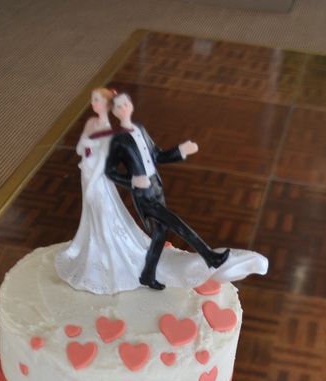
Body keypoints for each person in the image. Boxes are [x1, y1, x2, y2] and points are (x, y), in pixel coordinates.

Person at [104, 92, 229, 290]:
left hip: (157, 187)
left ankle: (147, 275)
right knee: (176, 223)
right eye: (118, 106)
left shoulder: (141, 129)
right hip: (143, 194)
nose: (123, 108)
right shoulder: (118, 140)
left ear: (131, 104)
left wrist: (180, 151)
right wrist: (133, 181)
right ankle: (209, 256)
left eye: (126, 103)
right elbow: (110, 171)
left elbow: (158, 156)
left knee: (160, 234)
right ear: (113, 111)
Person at [54, 88, 151, 294]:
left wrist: (91, 186)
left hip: (97, 178)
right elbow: (80, 149)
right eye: (92, 100)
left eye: (97, 100)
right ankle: (93, 253)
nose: (93, 103)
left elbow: (102, 162)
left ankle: (109, 261)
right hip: (85, 172)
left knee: (103, 212)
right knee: (90, 215)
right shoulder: (90, 124)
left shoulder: (108, 129)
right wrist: (85, 143)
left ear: (107, 104)